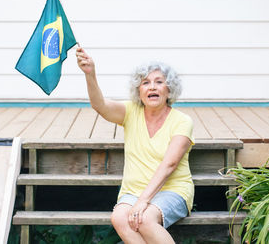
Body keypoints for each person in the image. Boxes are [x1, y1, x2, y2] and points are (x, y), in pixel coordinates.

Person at [76, 46, 195, 244]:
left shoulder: (182, 121)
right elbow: (100, 105)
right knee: (119, 217)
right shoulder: (130, 112)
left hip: (172, 190)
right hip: (133, 191)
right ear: (139, 91)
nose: (152, 87)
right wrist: (90, 74)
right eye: (146, 83)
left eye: (159, 82)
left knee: (145, 219)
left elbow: (169, 165)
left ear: (169, 89)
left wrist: (143, 202)